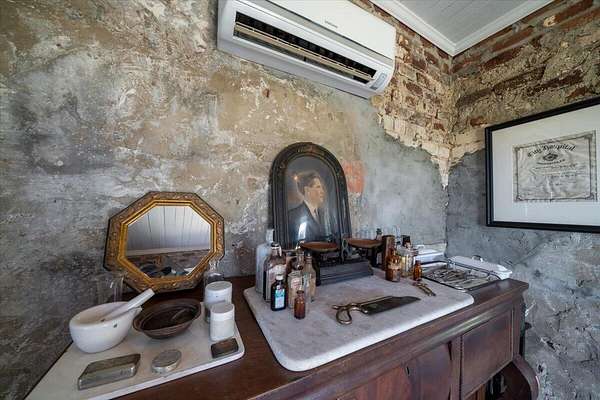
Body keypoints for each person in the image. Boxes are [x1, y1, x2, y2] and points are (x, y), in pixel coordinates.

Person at [288, 171, 327, 245]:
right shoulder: (292, 216)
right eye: (318, 187)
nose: (322, 191)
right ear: (307, 190)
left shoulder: (324, 214)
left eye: (322, 187)